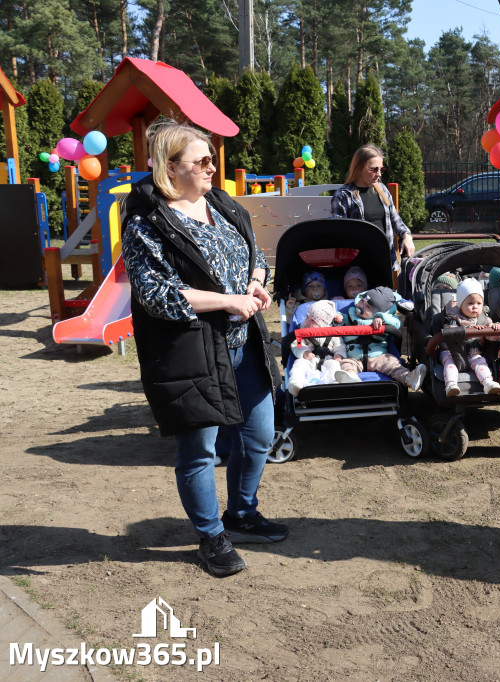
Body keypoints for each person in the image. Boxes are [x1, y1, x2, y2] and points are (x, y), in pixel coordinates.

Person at [122, 121, 287, 578]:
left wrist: (256, 283)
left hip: (244, 344)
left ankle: (242, 513)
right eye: (202, 161)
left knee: (259, 436)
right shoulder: (146, 222)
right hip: (191, 349)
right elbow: (156, 293)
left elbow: (255, 255)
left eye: (212, 159)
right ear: (171, 168)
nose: (213, 168)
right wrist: (227, 301)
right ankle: (211, 536)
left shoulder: (222, 204)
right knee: (199, 450)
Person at [331, 144, 415, 273]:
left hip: (384, 260)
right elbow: (339, 233)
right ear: (359, 168)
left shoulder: (382, 190)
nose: (379, 174)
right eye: (374, 169)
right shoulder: (343, 195)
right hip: (356, 265)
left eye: (381, 169)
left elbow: (395, 219)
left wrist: (407, 236)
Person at [336, 285, 427, 391]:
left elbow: (396, 323)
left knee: (392, 363)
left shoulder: (383, 318)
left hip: (378, 357)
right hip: (354, 357)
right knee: (346, 364)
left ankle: (408, 378)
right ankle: (351, 378)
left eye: (368, 307)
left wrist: (381, 318)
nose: (361, 306)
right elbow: (339, 323)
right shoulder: (350, 314)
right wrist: (339, 319)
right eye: (362, 301)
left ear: (377, 312)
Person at [433, 277, 500, 397]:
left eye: (479, 303)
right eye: (470, 303)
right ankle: (451, 385)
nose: (475, 307)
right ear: (460, 304)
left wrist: (495, 329)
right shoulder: (453, 317)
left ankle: (488, 382)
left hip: (473, 352)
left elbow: (490, 338)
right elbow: (450, 333)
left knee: (481, 362)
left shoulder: (484, 319)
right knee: (450, 364)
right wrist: (470, 330)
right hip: (452, 351)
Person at [287, 299, 350, 394]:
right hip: (310, 359)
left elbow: (339, 345)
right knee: (299, 364)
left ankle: (333, 384)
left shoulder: (332, 332)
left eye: (313, 320)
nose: (307, 321)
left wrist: (339, 355)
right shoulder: (302, 329)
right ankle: (295, 383)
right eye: (307, 317)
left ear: (323, 324)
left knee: (334, 365)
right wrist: (304, 352)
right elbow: (297, 343)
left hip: (328, 358)